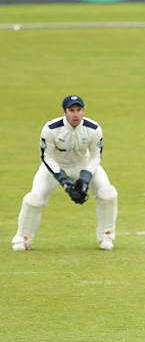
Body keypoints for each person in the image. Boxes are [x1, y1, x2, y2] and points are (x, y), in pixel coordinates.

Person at [11, 95, 118, 251]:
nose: (75, 114)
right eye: (71, 110)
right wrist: (65, 182)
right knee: (33, 199)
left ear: (83, 111)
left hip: (84, 164)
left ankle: (107, 235)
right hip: (54, 167)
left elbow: (95, 155)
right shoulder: (50, 129)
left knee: (108, 193)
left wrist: (85, 178)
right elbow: (46, 156)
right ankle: (23, 237)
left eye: (79, 110)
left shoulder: (94, 129)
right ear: (65, 112)